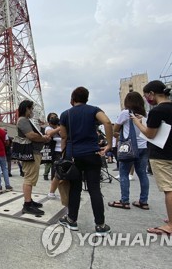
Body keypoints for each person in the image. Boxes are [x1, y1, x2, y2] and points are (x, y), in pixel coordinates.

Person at [132, 80, 172, 235]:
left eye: (146, 96)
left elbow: (150, 133)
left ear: (151, 94)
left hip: (162, 154)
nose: (146, 99)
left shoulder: (157, 110)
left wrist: (137, 122)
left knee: (169, 189)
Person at [58, 86, 112, 236]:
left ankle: (71, 219)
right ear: (86, 99)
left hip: (73, 155)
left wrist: (64, 155)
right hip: (92, 154)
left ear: (72, 99)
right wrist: (109, 144)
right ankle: (100, 225)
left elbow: (63, 137)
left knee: (75, 189)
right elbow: (107, 122)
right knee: (95, 189)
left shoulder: (65, 114)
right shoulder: (94, 110)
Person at [108, 92, 149, 210]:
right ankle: (143, 201)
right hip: (143, 147)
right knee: (143, 175)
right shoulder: (145, 114)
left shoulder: (126, 113)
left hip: (128, 147)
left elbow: (115, 129)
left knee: (124, 173)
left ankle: (124, 201)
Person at [17, 100, 51, 215]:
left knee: (31, 178)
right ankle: (27, 204)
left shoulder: (26, 120)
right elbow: (31, 135)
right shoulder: (22, 120)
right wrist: (44, 138)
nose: (32, 111)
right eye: (31, 108)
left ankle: (29, 201)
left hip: (34, 152)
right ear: (26, 108)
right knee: (29, 178)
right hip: (30, 152)